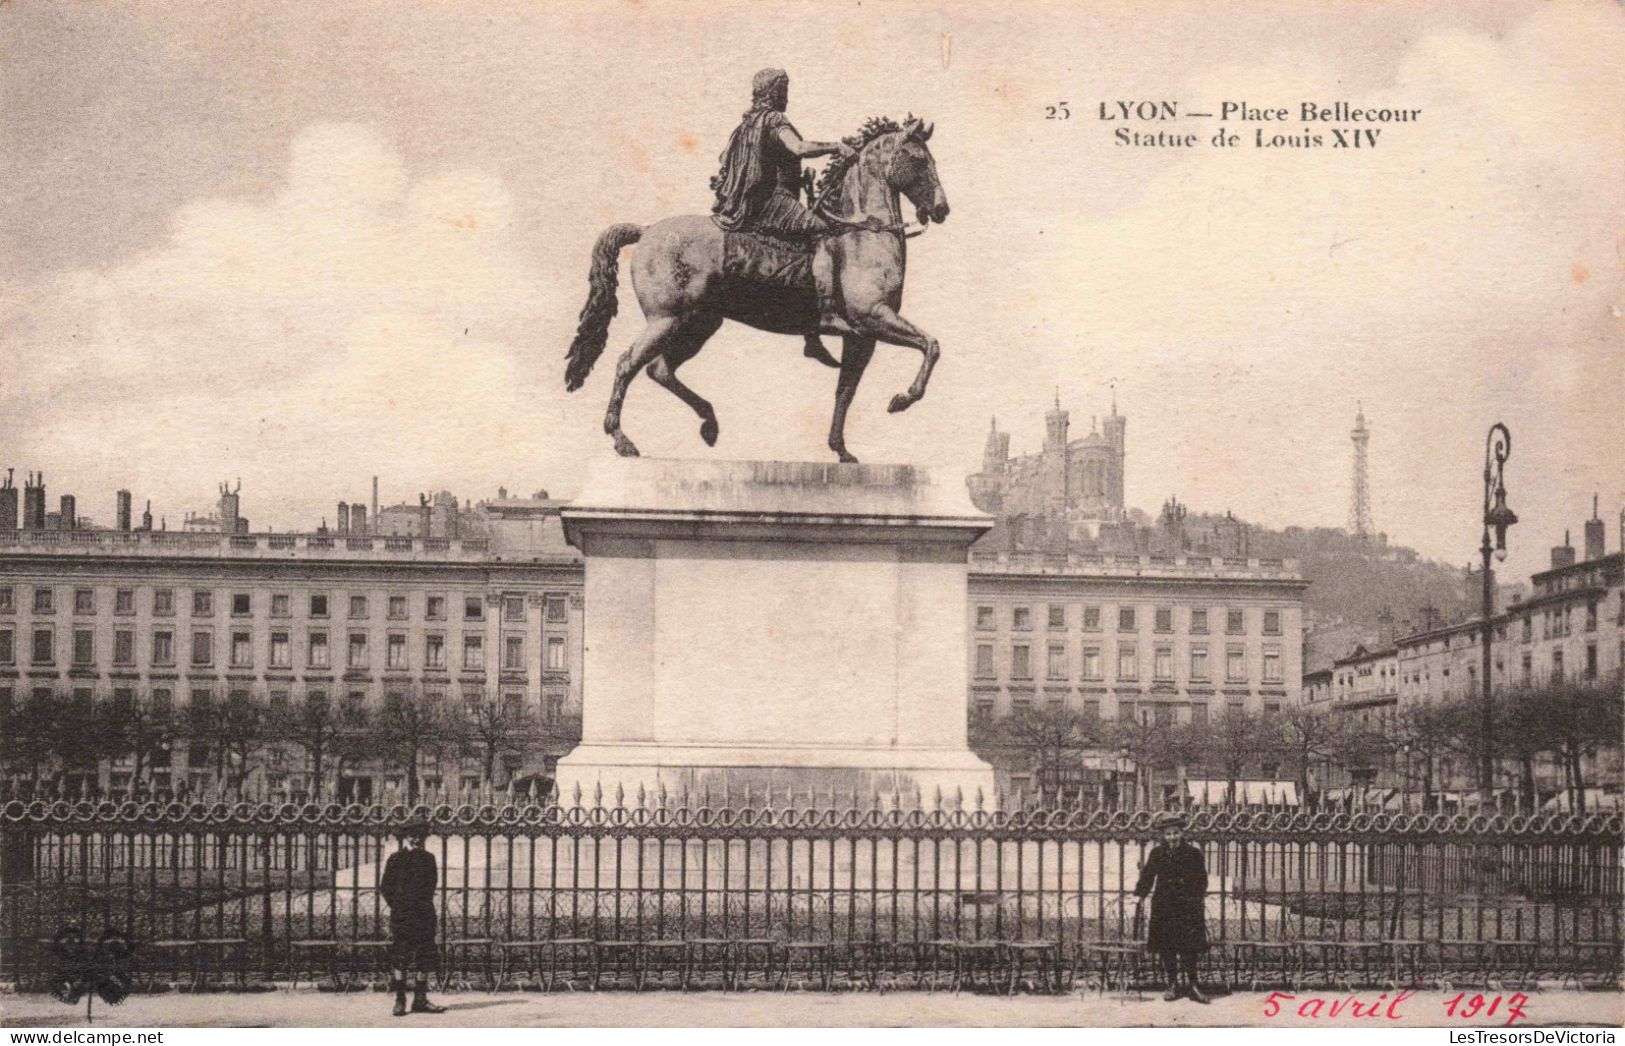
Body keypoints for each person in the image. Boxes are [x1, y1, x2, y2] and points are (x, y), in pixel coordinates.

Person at [711, 67, 859, 362]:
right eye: (784, 90)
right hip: (774, 203)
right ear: (774, 92)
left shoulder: (745, 125)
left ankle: (810, 337)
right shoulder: (774, 119)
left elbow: (728, 165)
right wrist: (836, 147)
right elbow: (799, 147)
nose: (786, 97)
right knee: (826, 235)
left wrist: (799, 180)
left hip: (753, 204)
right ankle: (827, 314)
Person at [1133, 810, 1210, 1003]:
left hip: (1187, 906)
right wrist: (1139, 895)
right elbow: (1148, 876)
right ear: (1163, 836)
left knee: (1189, 947)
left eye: (1175, 833)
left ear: (1182, 833)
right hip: (1164, 906)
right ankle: (1172, 984)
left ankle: (1193, 985)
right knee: (1167, 946)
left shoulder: (1194, 854)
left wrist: (1194, 896)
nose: (1172, 837)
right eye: (1168, 834)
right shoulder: (1157, 853)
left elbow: (1202, 879)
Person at [380, 817, 446, 1017]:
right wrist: (399, 906)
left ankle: (420, 999)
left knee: (425, 956)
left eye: (420, 835)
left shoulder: (429, 858)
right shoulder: (395, 858)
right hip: (402, 915)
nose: (417, 839)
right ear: (406, 837)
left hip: (424, 914)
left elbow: (430, 886)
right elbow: (385, 888)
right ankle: (400, 1000)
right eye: (412, 835)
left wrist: (420, 906)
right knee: (401, 957)